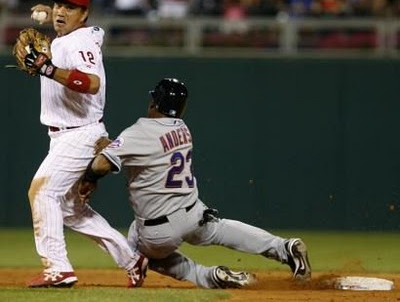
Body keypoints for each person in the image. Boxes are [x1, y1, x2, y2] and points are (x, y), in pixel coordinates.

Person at [77, 77, 312, 289]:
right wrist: (114, 146)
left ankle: (209, 276)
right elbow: (144, 150)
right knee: (219, 229)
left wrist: (89, 179)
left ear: (153, 103)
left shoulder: (138, 132)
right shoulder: (182, 128)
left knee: (135, 251)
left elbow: (101, 165)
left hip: (159, 229)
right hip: (192, 212)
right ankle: (284, 248)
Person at [22, 0, 147, 288]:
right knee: (70, 209)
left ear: (84, 13)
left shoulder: (80, 41)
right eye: (58, 5)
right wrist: (44, 11)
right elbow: (56, 21)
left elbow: (91, 83)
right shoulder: (70, 36)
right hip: (66, 135)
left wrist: (48, 69)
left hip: (79, 134)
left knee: (43, 193)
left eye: (70, 7)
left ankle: (58, 268)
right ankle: (132, 260)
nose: (61, 12)